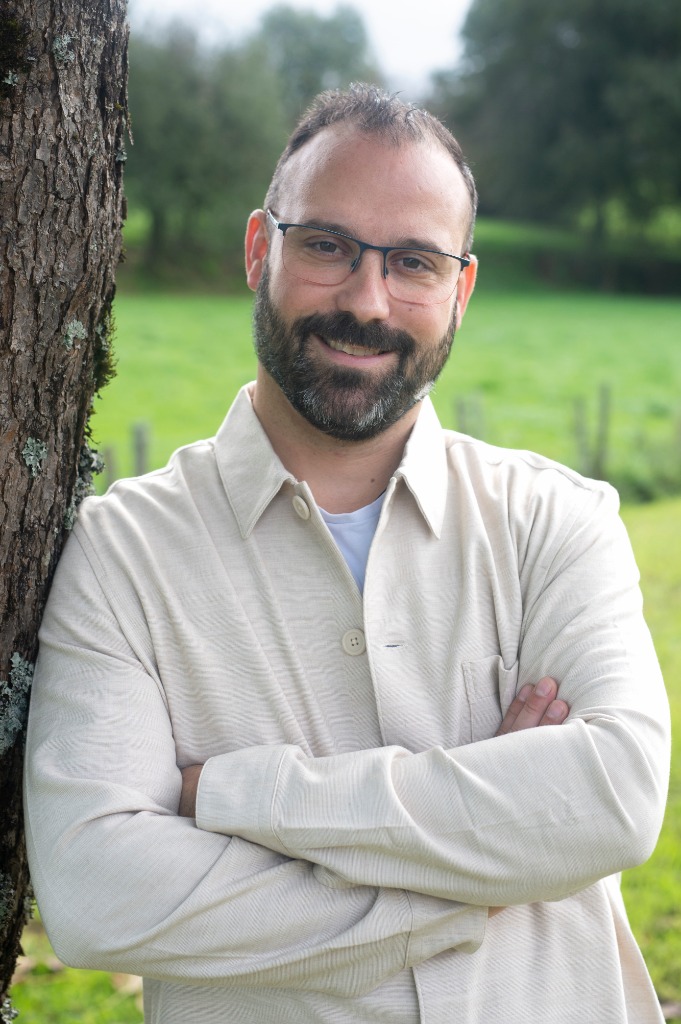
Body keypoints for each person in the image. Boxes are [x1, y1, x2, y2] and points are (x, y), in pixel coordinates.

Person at [24, 84, 670, 1024]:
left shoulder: (555, 522)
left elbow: (612, 798)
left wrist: (244, 794)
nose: (366, 301)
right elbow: (97, 892)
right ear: (260, 249)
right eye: (326, 246)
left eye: (413, 261)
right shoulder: (123, 555)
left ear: (461, 289)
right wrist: (488, 865)